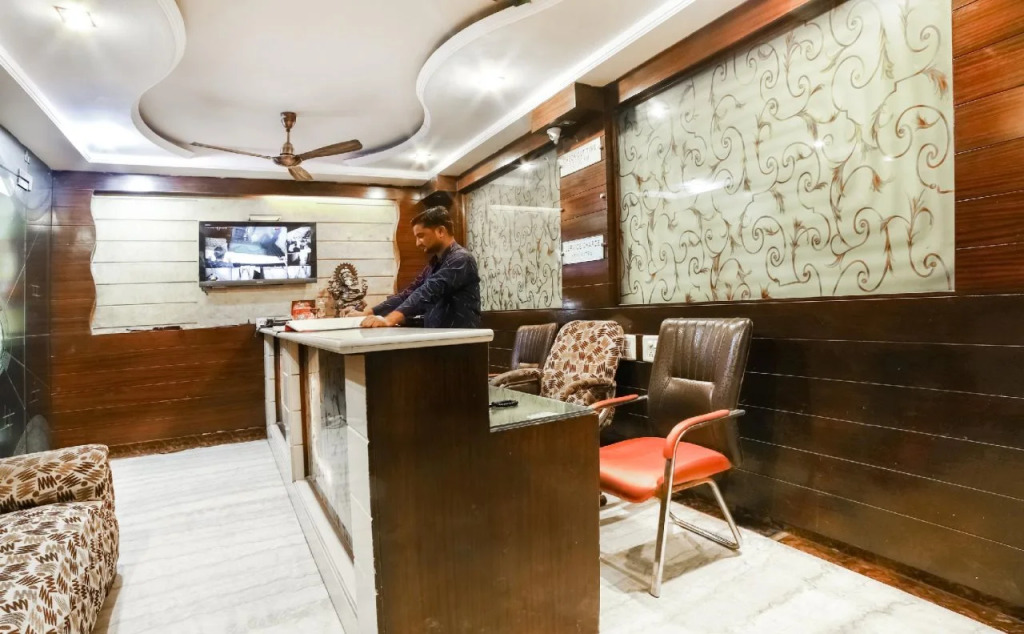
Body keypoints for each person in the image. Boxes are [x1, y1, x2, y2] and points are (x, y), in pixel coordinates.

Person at [352, 206, 481, 329]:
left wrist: (389, 319)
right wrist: (368, 312)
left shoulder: (461, 259)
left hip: (461, 341)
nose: (417, 243)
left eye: (421, 236)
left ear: (440, 231)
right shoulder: (434, 263)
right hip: (440, 338)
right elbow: (408, 294)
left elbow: (428, 292)